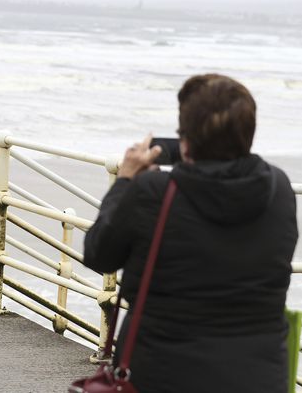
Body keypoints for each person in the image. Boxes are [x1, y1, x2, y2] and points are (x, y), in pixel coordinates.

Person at [83, 74, 298, 393]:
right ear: (248, 134)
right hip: (259, 377)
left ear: (185, 141)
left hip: (164, 374)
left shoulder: (154, 191)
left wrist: (126, 181)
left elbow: (99, 253)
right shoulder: (278, 187)